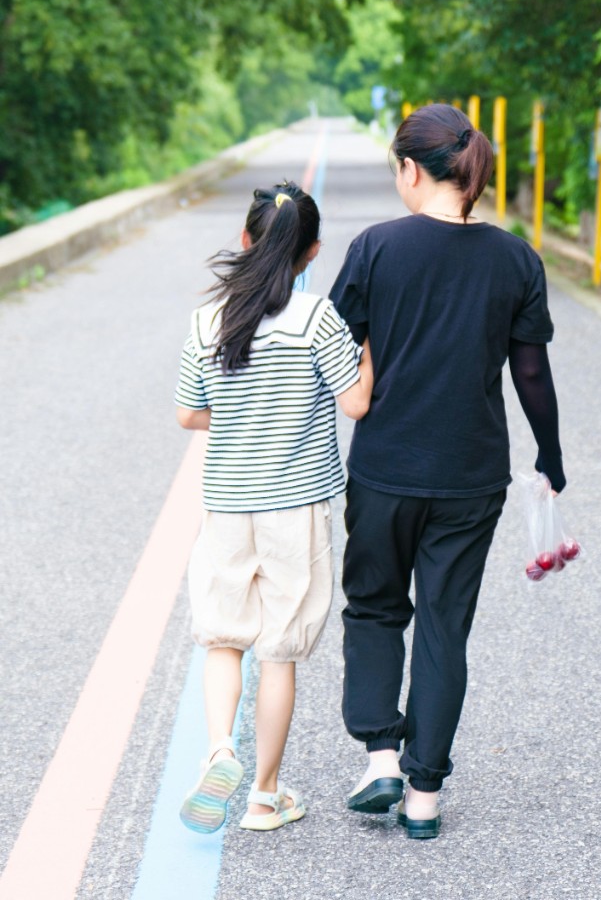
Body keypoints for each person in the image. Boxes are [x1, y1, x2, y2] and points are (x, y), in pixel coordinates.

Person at [330, 103, 566, 840]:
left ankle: (380, 757)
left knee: (374, 607)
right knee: (443, 626)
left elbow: (335, 349)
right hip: (471, 476)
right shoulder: (517, 259)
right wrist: (550, 457)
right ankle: (425, 797)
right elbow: (531, 372)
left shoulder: (375, 248)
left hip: (385, 470)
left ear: (410, 170)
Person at [175, 181, 373, 834]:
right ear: (311, 252)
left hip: (228, 506)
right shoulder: (317, 318)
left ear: (244, 241)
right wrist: (367, 351)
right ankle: (263, 796)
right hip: (296, 509)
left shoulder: (210, 319)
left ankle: (220, 751)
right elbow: (355, 403)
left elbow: (188, 413)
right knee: (278, 651)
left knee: (224, 639)